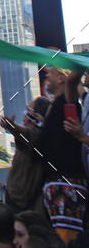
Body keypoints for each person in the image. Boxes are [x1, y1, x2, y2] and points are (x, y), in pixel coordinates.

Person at [38, 65, 86, 241]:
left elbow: (72, 81)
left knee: (67, 240)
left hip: (67, 185)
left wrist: (79, 62)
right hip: (57, 183)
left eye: (50, 72)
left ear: (61, 78)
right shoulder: (55, 107)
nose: (46, 76)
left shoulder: (67, 100)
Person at [0, 96, 50, 214]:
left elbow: (25, 134)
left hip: (22, 204)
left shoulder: (38, 136)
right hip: (16, 200)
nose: (24, 114)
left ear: (36, 116)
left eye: (29, 111)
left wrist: (12, 127)